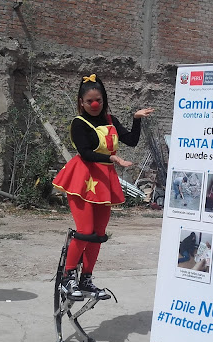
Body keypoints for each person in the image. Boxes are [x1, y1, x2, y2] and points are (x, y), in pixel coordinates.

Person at [53, 74, 154, 300]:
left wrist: (136, 119)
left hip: (103, 181)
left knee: (98, 234)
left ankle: (86, 279)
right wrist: (113, 160)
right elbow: (86, 153)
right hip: (83, 178)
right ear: (81, 102)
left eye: (97, 99)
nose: (94, 105)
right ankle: (67, 278)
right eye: (89, 101)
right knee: (85, 231)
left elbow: (131, 140)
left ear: (103, 98)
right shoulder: (79, 123)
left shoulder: (110, 119)